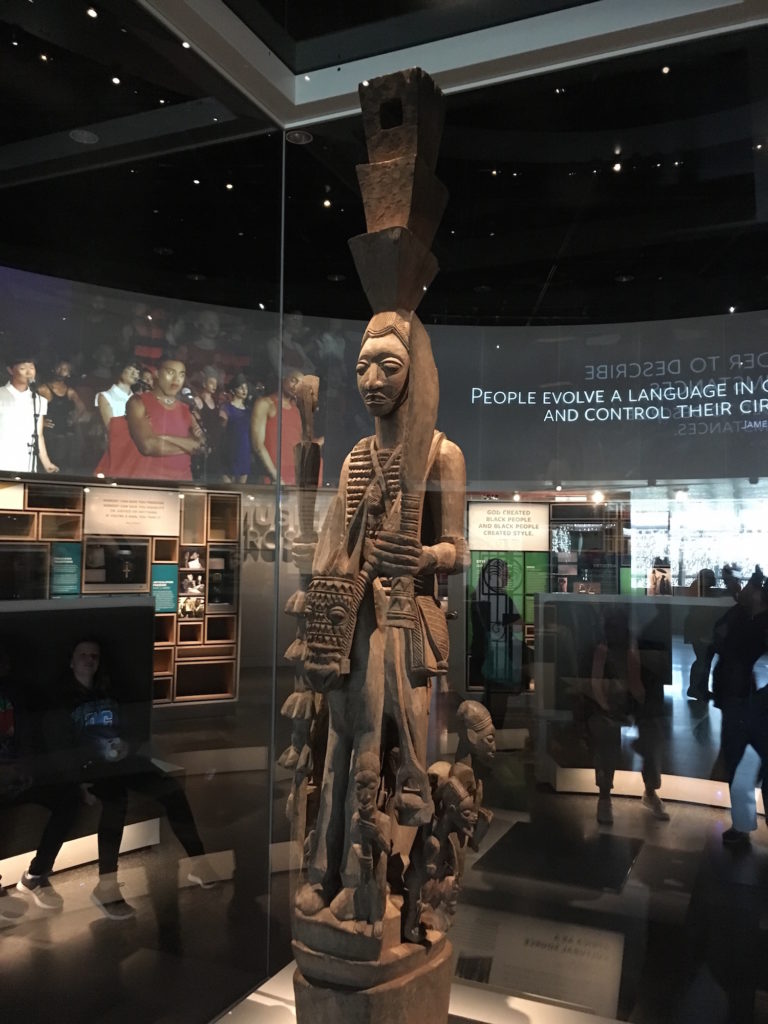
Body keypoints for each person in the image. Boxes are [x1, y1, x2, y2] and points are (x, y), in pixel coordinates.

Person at [294, 310, 466, 920]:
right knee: (339, 740)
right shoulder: (354, 460)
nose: (373, 378)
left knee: (377, 740)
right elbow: (333, 546)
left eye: (389, 366)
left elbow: (459, 552)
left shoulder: (441, 456)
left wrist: (423, 554)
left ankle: (366, 878)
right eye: (363, 366)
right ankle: (324, 868)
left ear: (412, 375)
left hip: (400, 616)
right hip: (354, 618)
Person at [41, 639, 215, 919]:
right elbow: (57, 747)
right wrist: (76, 781)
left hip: (122, 760)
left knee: (171, 789)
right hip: (90, 768)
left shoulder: (110, 691)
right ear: (71, 661)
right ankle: (106, 887)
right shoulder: (59, 700)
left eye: (94, 656)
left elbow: (134, 729)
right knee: (115, 803)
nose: (89, 660)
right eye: (83, 655)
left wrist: (127, 746)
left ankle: (199, 861)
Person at [711, 568, 768, 847]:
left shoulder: (747, 620)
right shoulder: (745, 617)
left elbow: (720, 639)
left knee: (742, 764)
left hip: (747, 702)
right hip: (742, 701)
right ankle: (742, 824)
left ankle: (743, 826)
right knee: (740, 766)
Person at [124, 355, 203, 480]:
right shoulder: (138, 402)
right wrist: (189, 446)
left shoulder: (186, 408)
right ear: (157, 373)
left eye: (181, 374)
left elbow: (202, 447)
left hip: (183, 485)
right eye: (171, 372)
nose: (177, 379)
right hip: (150, 485)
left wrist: (164, 438)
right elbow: (148, 446)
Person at [0, 351, 58, 474]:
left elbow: (39, 435)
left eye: (31, 368)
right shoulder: (1, 394)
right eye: (22, 368)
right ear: (11, 370)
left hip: (26, 460)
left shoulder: (40, 400)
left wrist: (47, 463)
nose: (28, 372)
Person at [250, 367, 305, 484]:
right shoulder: (265, 404)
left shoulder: (297, 410)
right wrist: (275, 476)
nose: (295, 386)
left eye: (300, 384)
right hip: (273, 477)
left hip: (294, 476)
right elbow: (257, 445)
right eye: (293, 380)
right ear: (283, 379)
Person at [37, 360, 88, 473]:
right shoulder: (43, 389)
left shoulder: (70, 391)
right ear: (54, 369)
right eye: (59, 368)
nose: (61, 371)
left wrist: (74, 419)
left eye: (65, 369)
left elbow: (82, 407)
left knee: (67, 465)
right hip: (51, 434)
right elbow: (30, 407)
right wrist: (42, 422)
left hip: (67, 433)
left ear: (69, 373)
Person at [92, 360, 141, 476]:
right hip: (116, 448)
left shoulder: (138, 399)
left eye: (137, 371)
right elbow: (111, 426)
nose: (135, 374)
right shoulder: (105, 396)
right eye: (130, 370)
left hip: (135, 450)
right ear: (120, 372)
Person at [219, 372, 251, 482]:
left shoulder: (249, 411)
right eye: (240, 387)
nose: (244, 390)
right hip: (229, 451)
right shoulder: (226, 408)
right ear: (233, 390)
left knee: (242, 488)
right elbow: (221, 431)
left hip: (244, 452)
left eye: (245, 387)